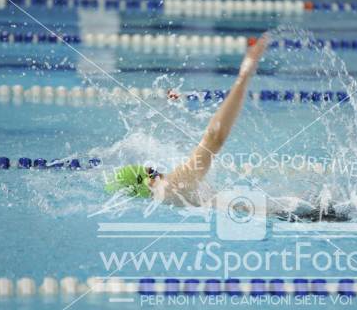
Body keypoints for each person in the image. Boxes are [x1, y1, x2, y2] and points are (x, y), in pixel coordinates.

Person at [105, 35, 269, 206]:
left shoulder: (168, 198)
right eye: (151, 171)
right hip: (285, 213)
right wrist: (243, 76)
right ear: (149, 179)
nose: (156, 171)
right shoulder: (171, 187)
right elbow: (215, 137)